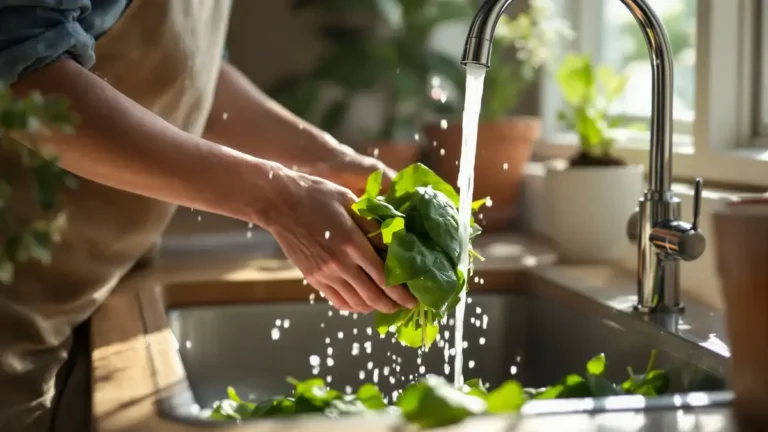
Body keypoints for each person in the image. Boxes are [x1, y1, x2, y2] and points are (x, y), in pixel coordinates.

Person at [0, 1, 418, 430]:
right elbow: (25, 70)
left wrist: (326, 160)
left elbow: (191, 75)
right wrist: (276, 198)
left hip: (97, 290)